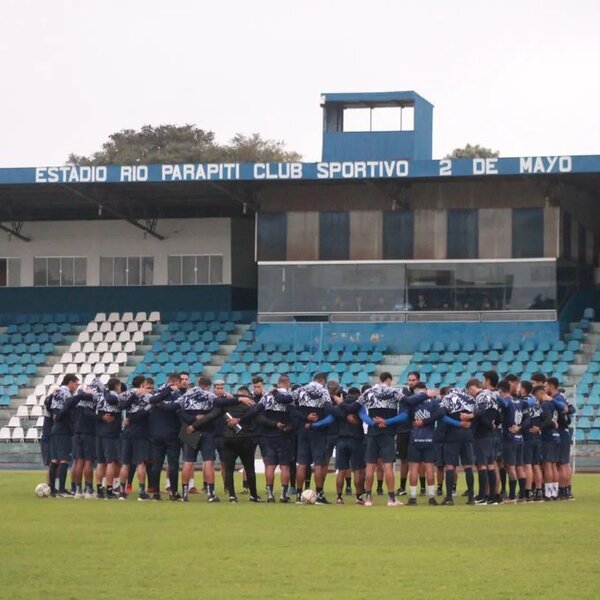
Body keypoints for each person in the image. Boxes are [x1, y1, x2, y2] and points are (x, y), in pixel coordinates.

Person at [357, 372, 428, 507]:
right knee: (388, 466)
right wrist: (387, 422)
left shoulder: (369, 392)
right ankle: (391, 499)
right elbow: (403, 415)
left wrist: (373, 423)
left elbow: (360, 412)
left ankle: (368, 499)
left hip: (372, 433)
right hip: (388, 433)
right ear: (389, 380)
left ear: (379, 379)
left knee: (370, 466)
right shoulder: (394, 392)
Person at [188, 384, 260, 502]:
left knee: (229, 469)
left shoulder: (225, 405)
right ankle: (253, 495)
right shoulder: (249, 405)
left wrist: (194, 426)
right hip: (245, 439)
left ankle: (232, 496)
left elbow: (209, 416)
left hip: (227, 440)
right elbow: (259, 417)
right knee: (249, 468)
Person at [249, 376, 296, 502]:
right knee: (285, 466)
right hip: (284, 435)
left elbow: (256, 412)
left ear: (278, 383)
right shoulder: (289, 397)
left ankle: (270, 494)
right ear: (287, 384)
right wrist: (290, 427)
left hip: (268, 435)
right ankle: (283, 494)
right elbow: (294, 416)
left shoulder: (267, 396)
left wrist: (241, 419)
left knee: (270, 465)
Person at [292, 373, 335, 505]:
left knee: (302, 463)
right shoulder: (323, 392)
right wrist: (316, 423)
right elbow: (330, 413)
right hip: (318, 432)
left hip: (303, 431)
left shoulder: (301, 390)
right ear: (322, 381)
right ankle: (320, 495)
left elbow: (291, 408)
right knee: (318, 464)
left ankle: (299, 495)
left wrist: (305, 418)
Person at [147, 373, 182, 501]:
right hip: (172, 434)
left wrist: (161, 404)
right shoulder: (177, 394)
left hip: (156, 433)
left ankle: (156, 492)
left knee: (157, 464)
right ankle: (173, 492)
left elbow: (153, 400)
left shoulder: (159, 392)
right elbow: (175, 406)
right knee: (173, 464)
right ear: (176, 383)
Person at [406, 382, 442, 506]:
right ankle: (431, 497)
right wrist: (426, 421)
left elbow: (407, 417)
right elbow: (440, 414)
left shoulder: (412, 403)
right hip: (429, 437)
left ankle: (412, 497)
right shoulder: (434, 403)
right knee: (429, 468)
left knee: (414, 468)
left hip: (415, 437)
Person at [439, 387, 476, 505]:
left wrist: (457, 423)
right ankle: (471, 497)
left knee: (450, 466)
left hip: (452, 435)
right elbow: (478, 414)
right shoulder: (470, 399)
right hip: (467, 435)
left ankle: (449, 497)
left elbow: (442, 416)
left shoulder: (448, 398)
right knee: (468, 466)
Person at [467, 374, 500, 505]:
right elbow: (499, 415)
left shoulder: (481, 396)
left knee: (481, 465)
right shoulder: (494, 395)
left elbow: (479, 413)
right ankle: (493, 496)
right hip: (491, 435)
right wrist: (494, 425)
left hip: (481, 434)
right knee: (491, 464)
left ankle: (482, 496)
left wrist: (470, 416)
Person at [117, 375, 151, 501]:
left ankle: (121, 491)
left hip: (127, 431)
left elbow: (120, 406)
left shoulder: (126, 394)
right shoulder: (147, 396)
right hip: (141, 431)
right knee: (140, 463)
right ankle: (142, 492)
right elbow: (148, 410)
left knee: (125, 463)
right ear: (142, 384)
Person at [47, 374, 80, 497]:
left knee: (55, 460)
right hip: (63, 430)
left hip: (56, 429)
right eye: (76, 384)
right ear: (70, 382)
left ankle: (52, 489)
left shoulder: (57, 392)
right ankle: (60, 489)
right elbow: (65, 410)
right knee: (64, 459)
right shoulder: (65, 393)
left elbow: (52, 408)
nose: (76, 386)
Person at [331, 387, 365, 505]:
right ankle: (359, 497)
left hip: (341, 440)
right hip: (356, 440)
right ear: (358, 394)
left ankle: (339, 497)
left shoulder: (339, 406)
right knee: (357, 470)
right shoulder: (359, 405)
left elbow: (333, 413)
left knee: (341, 470)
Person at [70, 378, 100, 498]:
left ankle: (77, 490)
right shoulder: (93, 398)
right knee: (88, 461)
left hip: (76, 432)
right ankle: (89, 489)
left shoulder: (77, 398)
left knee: (78, 461)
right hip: (88, 432)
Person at [546, 377, 574, 499]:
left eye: (546, 385)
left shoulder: (556, 398)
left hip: (561, 431)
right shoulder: (562, 396)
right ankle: (566, 490)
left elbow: (567, 410)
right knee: (565, 463)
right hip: (565, 431)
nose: (545, 388)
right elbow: (571, 409)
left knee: (561, 464)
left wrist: (562, 419)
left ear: (552, 385)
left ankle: (562, 491)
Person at [95, 377, 123, 500]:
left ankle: (99, 489)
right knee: (110, 462)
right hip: (111, 433)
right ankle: (110, 489)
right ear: (117, 386)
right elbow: (116, 402)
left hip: (100, 432)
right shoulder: (114, 396)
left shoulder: (101, 396)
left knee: (101, 463)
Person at [396, 371, 421, 496]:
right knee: (404, 460)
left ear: (418, 380)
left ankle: (421, 488)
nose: (411, 382)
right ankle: (402, 487)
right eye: (409, 380)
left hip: (417, 431)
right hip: (403, 431)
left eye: (413, 380)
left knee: (419, 461)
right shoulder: (403, 393)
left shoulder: (422, 393)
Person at [521, 380, 544, 502]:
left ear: (524, 389)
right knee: (536, 465)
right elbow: (542, 416)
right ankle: (539, 490)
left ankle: (528, 491)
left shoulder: (524, 402)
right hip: (537, 436)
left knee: (527, 464)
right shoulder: (536, 402)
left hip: (528, 436)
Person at [538, 384, 560, 500]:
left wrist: (539, 428)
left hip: (548, 436)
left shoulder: (545, 405)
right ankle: (554, 493)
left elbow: (547, 420)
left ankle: (548, 493)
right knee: (553, 465)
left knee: (547, 465)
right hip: (556, 435)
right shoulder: (554, 404)